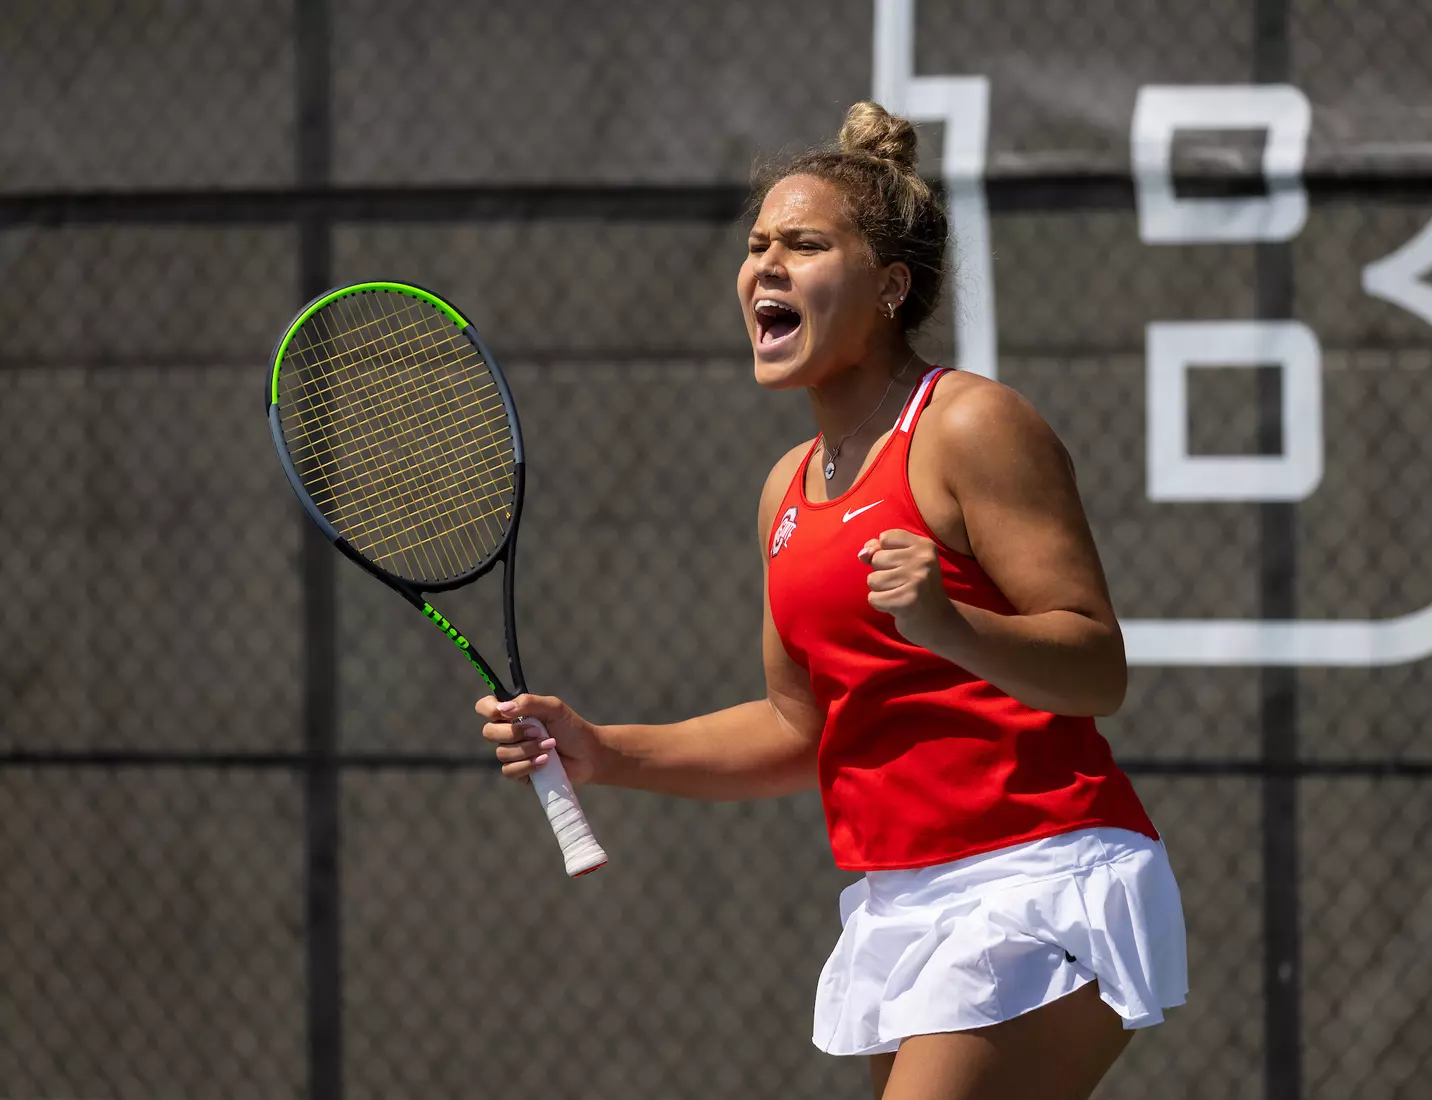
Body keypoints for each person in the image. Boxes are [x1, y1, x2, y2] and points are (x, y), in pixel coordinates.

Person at [477, 101, 1187, 1100]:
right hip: (899, 896)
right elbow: (796, 726)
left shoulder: (971, 424)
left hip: (1041, 871)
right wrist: (605, 748)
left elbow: (1094, 666)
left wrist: (948, 621)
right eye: (756, 244)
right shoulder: (786, 485)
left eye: (802, 244)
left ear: (889, 285)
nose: (763, 265)